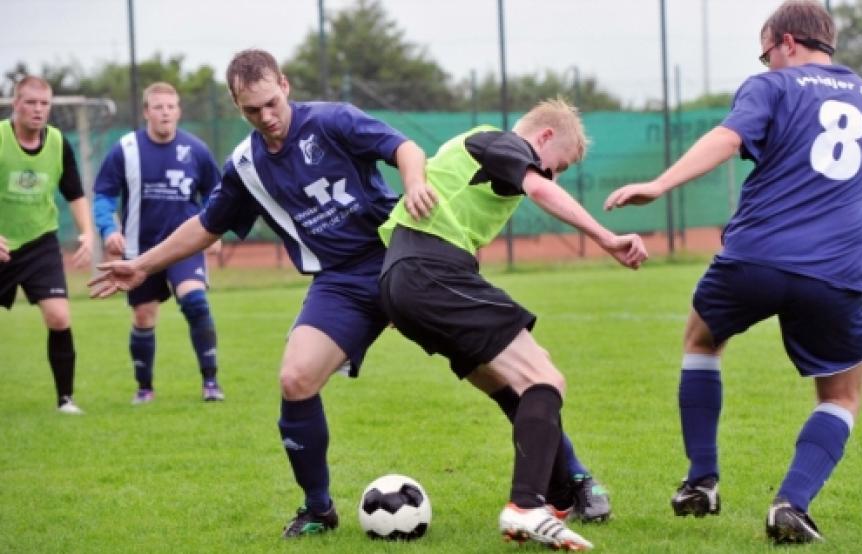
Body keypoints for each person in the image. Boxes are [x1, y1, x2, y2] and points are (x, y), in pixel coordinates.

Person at [88, 50, 609, 539]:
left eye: (273, 102)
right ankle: (318, 507)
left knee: (501, 376)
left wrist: (413, 183)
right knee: (296, 378)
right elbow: (206, 224)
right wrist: (142, 263)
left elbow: (402, 147)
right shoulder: (245, 166)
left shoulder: (331, 120)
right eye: (253, 109)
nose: (267, 116)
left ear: (285, 86)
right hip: (339, 283)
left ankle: (575, 479)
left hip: (398, 257)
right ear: (236, 105)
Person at [604, 0, 862, 544]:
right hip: (835, 274)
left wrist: (661, 184)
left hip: (753, 259)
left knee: (701, 339)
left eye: (765, 53)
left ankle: (701, 481)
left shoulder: (773, 87)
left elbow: (728, 138)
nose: (765, 64)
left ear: (787, 42)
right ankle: (792, 503)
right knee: (840, 396)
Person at [377, 98, 648, 551]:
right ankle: (526, 506)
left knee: (511, 386)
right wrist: (607, 238)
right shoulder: (501, 142)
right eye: (553, 164)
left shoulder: (472, 159)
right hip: (429, 273)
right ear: (542, 137)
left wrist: (402, 302)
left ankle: (561, 496)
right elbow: (541, 191)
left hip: (407, 279)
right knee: (545, 377)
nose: (551, 176)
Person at [92, 82, 224, 404]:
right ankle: (145, 388)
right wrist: (109, 229)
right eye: (158, 107)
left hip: (184, 246)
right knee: (144, 317)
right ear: (146, 112)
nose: (165, 112)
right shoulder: (125, 149)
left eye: (171, 106)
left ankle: (211, 383)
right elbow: (104, 195)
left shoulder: (196, 150)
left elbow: (217, 194)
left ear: (178, 110)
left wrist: (216, 229)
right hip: (140, 249)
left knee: (195, 302)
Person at [0, 76, 94, 414]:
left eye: (44, 104)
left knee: (58, 316)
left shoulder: (57, 142)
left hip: (40, 243)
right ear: (16, 104)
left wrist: (86, 233)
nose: (38, 110)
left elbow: (75, 193)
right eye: (31, 102)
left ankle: (65, 399)